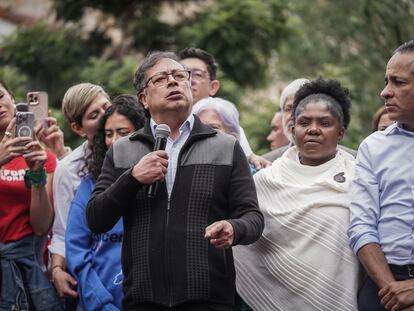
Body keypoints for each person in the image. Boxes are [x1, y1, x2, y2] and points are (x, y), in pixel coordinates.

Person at [86, 51, 264, 311]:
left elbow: (253, 218)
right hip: (143, 300)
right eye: (161, 78)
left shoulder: (225, 146)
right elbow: (95, 219)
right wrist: (132, 178)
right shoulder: (123, 150)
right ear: (143, 99)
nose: (173, 82)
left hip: (210, 300)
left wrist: (234, 228)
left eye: (179, 76)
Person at [233, 79, 359, 311]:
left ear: (341, 132)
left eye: (324, 122)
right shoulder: (265, 181)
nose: (313, 129)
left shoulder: (359, 179)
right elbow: (245, 241)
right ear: (292, 129)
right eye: (304, 122)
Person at [348, 39, 414, 311]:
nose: (385, 92)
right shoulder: (373, 147)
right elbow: (361, 227)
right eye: (386, 81)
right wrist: (393, 292)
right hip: (383, 286)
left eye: (398, 82)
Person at [66, 95, 146, 311]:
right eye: (109, 134)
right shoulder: (90, 186)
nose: (114, 140)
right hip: (100, 302)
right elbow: (76, 251)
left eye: (123, 132)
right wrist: (102, 304)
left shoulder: (157, 181)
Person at [0, 80, 62, 310]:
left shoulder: (42, 157)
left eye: (0, 96)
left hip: (26, 269)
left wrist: (37, 175)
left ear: (12, 99)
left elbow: (41, 226)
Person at [49, 83, 111, 303]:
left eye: (107, 107)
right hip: (95, 271)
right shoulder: (69, 169)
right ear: (78, 128)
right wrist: (57, 269)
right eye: (94, 115)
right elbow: (63, 231)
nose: (105, 117)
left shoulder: (142, 149)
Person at [178, 47, 270, 169]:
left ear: (213, 87)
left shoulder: (231, 129)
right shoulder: (161, 126)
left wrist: (252, 158)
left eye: (197, 74)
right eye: (181, 75)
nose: (189, 80)